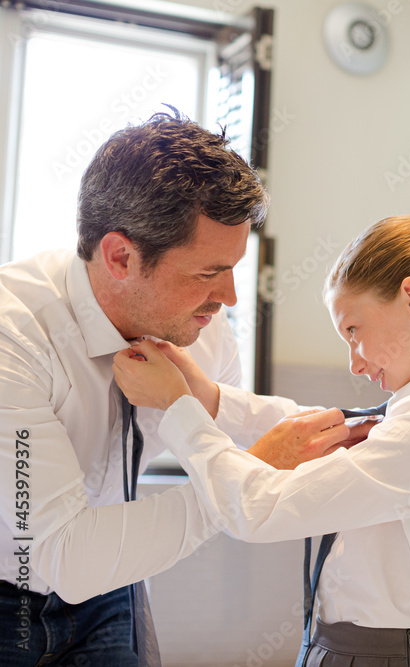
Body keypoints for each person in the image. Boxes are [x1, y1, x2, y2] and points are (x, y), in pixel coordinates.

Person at [112, 215, 410, 667]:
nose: (355, 364)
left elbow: (258, 509)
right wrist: (210, 398)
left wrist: (177, 408)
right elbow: (325, 429)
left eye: (353, 331)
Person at [0, 111, 353, 666]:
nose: (231, 298)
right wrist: (246, 479)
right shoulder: (13, 334)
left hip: (112, 586)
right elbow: (63, 554)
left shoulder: (202, 335)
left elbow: (231, 434)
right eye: (208, 273)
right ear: (120, 256)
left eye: (234, 268)